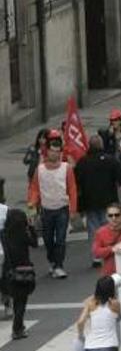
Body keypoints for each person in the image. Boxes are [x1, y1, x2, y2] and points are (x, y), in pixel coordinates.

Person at [27, 133, 77, 279]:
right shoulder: (40, 169)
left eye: (58, 151)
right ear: (47, 151)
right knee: (48, 239)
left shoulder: (66, 168)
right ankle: (52, 260)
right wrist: (31, 204)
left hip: (62, 208)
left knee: (60, 239)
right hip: (46, 210)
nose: (55, 154)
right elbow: (35, 188)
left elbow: (72, 189)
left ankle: (59, 265)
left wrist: (73, 209)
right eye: (52, 151)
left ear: (61, 152)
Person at [76, 135, 121, 268]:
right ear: (101, 146)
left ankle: (96, 256)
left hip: (90, 201)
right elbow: (120, 177)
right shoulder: (110, 160)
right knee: (109, 226)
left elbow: (77, 182)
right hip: (108, 200)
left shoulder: (82, 162)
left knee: (93, 230)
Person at [0, 209, 37, 340]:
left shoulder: (5, 235)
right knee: (22, 302)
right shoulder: (23, 234)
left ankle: (18, 327)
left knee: (16, 300)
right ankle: (18, 328)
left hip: (10, 271)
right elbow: (35, 243)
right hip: (24, 270)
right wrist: (31, 227)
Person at [76, 275, 121, 351]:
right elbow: (119, 318)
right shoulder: (115, 303)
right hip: (109, 347)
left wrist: (81, 335)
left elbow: (80, 322)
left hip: (91, 347)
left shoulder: (90, 303)